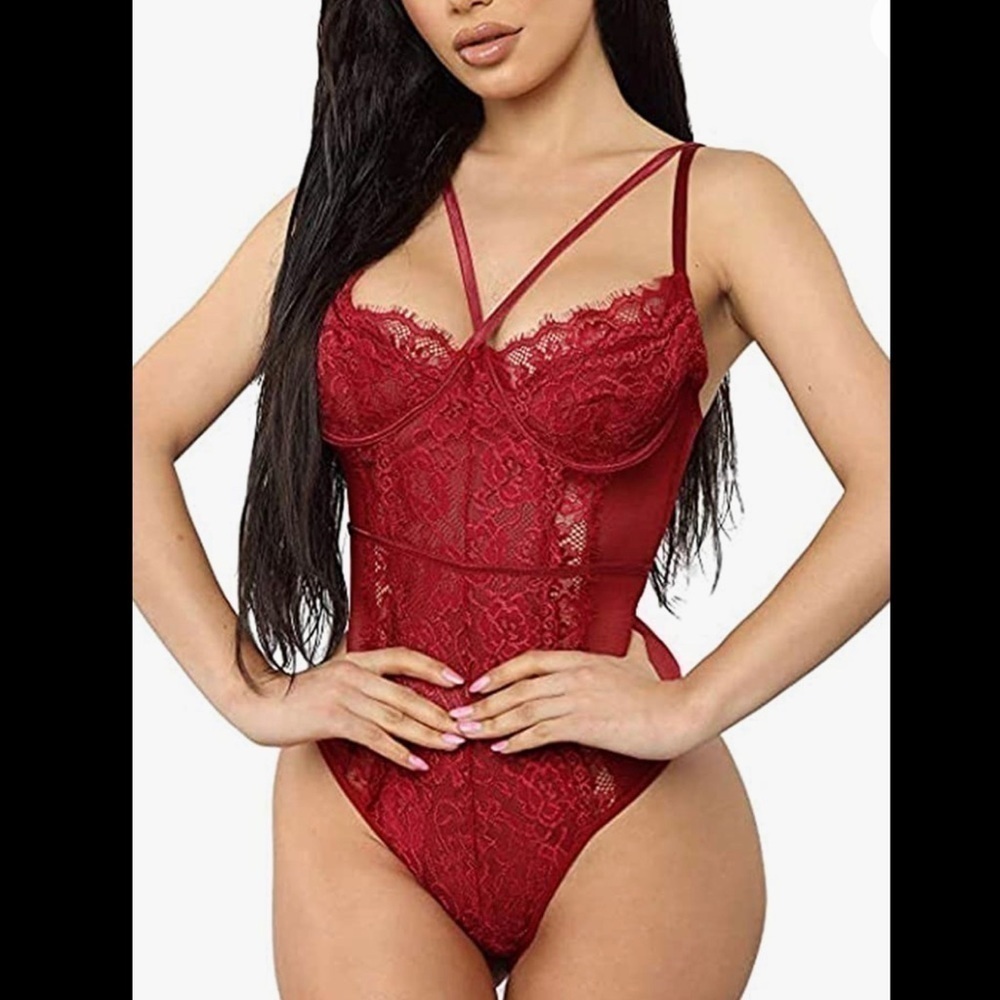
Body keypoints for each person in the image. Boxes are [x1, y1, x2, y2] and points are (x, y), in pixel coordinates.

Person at [132, 1, 890, 997]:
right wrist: (248, 690)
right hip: (360, 805)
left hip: (624, 814)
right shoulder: (341, 209)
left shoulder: (721, 203)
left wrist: (691, 704)